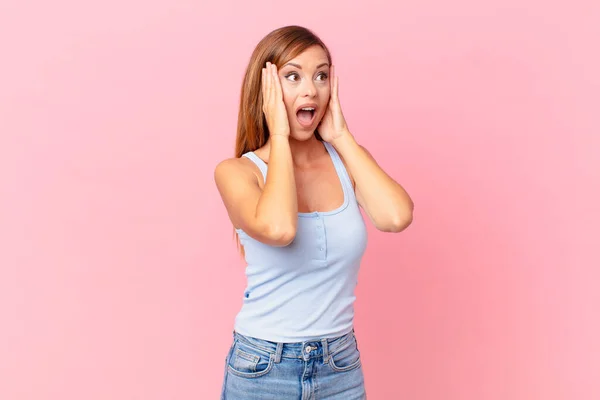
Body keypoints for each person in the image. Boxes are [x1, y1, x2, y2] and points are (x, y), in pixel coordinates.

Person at [214, 25, 414, 400]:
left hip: (340, 365)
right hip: (263, 367)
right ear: (266, 91)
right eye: (293, 76)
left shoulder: (346, 161)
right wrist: (278, 134)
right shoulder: (237, 172)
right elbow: (278, 228)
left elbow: (396, 217)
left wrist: (341, 137)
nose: (311, 90)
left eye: (321, 75)